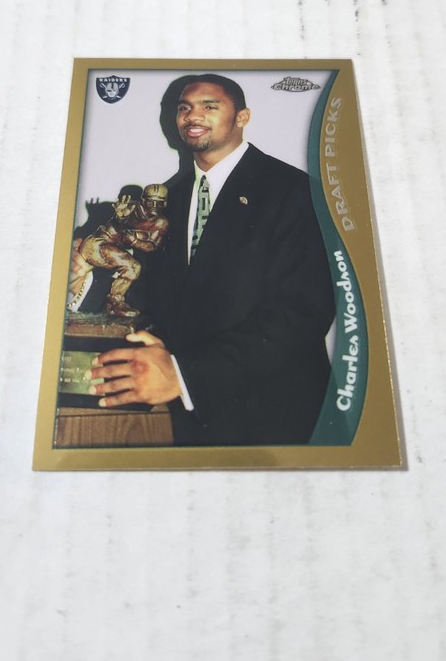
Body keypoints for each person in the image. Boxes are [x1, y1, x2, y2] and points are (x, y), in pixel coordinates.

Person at [87, 74, 335, 446]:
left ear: (242, 117)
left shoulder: (297, 192)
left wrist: (186, 377)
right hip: (187, 422)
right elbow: (149, 296)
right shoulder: (167, 199)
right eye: (184, 108)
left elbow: (303, 311)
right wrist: (88, 269)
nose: (193, 116)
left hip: (277, 419)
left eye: (209, 106)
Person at [69, 185, 169, 316]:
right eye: (151, 202)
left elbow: (152, 245)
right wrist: (121, 217)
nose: (154, 206)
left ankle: (113, 302)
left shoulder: (161, 223)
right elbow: (120, 223)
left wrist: (135, 241)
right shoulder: (131, 209)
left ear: (165, 203)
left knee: (134, 268)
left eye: (159, 203)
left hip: (108, 254)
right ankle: (114, 302)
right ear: (143, 201)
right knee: (133, 267)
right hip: (97, 245)